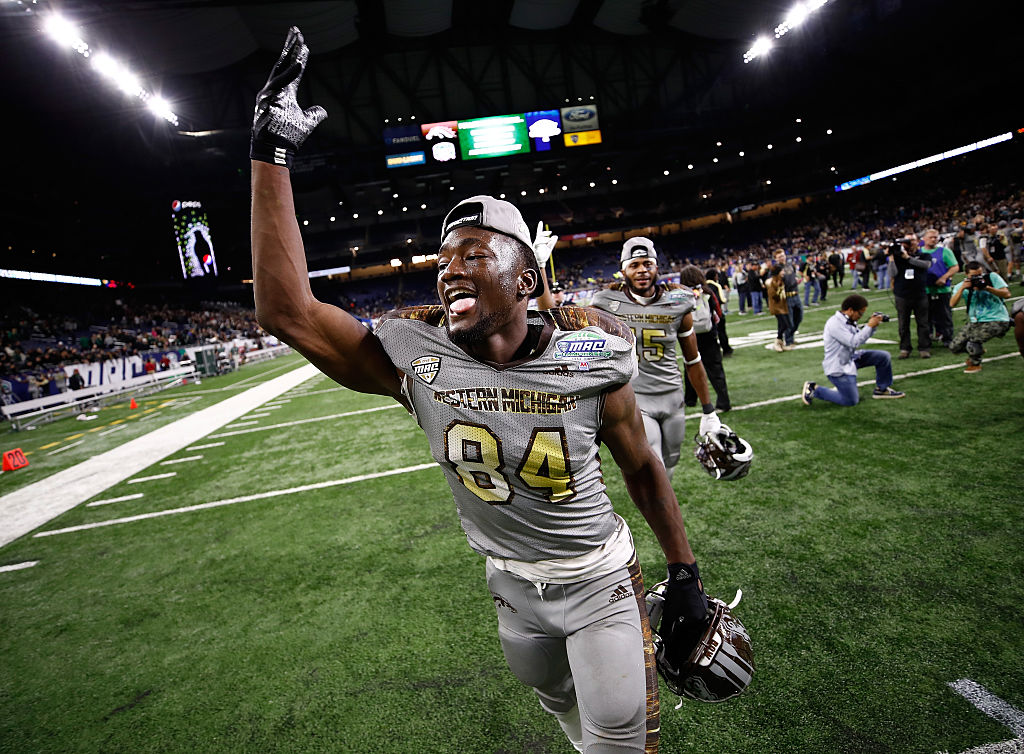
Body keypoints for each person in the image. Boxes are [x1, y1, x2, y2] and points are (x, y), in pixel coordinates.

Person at [250, 28, 716, 753]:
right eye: (442, 259)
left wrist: (683, 569)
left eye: (474, 254)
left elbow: (642, 467)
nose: (450, 269)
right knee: (560, 705)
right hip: (509, 587)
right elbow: (287, 312)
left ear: (526, 279)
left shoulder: (592, 354)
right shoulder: (414, 354)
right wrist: (270, 154)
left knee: (619, 735)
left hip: (596, 575)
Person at [585, 237, 725, 481]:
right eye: (635, 264)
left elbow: (693, 360)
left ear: (657, 267)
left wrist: (708, 410)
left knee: (671, 460)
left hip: (673, 395)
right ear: (623, 270)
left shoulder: (678, 301)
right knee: (655, 462)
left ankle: (660, 508)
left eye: (647, 264)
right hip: (637, 398)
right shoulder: (606, 302)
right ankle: (661, 514)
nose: (642, 270)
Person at [801, 294, 905, 406]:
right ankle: (814, 390)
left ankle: (882, 389)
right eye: (860, 313)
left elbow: (861, 339)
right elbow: (854, 342)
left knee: (883, 357)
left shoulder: (848, 320)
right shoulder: (835, 324)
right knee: (850, 401)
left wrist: (873, 326)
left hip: (851, 358)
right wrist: (869, 326)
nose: (861, 316)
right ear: (850, 310)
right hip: (838, 367)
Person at [678, 266, 732, 411]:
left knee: (690, 367)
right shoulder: (708, 291)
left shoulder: (680, 295)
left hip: (689, 337)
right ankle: (724, 402)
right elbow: (718, 313)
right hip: (709, 336)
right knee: (715, 370)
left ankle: (690, 400)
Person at [947, 261, 1012, 373]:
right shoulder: (962, 286)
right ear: (966, 275)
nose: (978, 278)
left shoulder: (991, 278)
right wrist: (963, 288)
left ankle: (975, 364)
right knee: (954, 347)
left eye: (980, 275)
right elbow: (952, 304)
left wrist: (987, 288)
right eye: (974, 276)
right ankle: (977, 350)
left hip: (997, 318)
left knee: (973, 340)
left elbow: (1007, 294)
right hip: (976, 321)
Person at [888, 235, 932, 358]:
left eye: (912, 240)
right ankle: (905, 348)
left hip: (919, 293)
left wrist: (908, 258)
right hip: (902, 294)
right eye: (907, 241)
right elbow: (892, 274)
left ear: (918, 242)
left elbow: (926, 265)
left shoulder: (923, 254)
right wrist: (892, 258)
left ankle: (924, 347)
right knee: (903, 323)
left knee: (923, 322)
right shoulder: (897, 257)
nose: (909, 243)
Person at [921, 228, 960, 347]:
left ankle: (947, 338)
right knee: (925, 317)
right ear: (924, 239)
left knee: (945, 315)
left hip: (942, 289)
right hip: (925, 290)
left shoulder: (944, 251)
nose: (933, 239)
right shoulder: (919, 252)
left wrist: (945, 277)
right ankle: (927, 338)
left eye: (935, 237)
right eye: (930, 237)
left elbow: (955, 267)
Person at [772, 248, 802, 347]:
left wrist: (795, 279)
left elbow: (792, 276)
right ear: (776, 259)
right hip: (786, 297)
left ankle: (791, 336)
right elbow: (773, 283)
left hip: (796, 294)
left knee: (799, 317)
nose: (782, 257)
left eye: (783, 255)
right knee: (789, 320)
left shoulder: (790, 265)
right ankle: (789, 341)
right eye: (779, 256)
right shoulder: (776, 269)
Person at [765, 264, 791, 352]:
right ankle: (777, 341)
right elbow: (773, 295)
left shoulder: (780, 280)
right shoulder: (772, 282)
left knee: (783, 324)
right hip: (776, 307)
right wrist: (779, 289)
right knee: (784, 324)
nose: (783, 272)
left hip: (782, 306)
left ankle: (781, 343)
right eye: (781, 271)